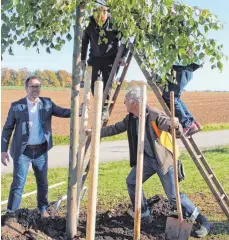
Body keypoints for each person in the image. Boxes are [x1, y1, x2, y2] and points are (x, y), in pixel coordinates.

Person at [86, 87, 210, 238]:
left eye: (126, 101)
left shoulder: (154, 115)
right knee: (132, 182)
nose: (124, 103)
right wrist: (95, 132)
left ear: (135, 103)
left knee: (173, 196)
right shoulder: (131, 118)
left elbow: (169, 125)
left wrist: (175, 125)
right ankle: (144, 214)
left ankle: (202, 220)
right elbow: (115, 128)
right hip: (147, 160)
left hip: (163, 160)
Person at [1, 76, 71, 218]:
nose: (35, 89)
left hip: (40, 151)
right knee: (18, 183)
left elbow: (64, 112)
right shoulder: (17, 106)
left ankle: (43, 208)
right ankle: (11, 213)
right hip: (23, 152)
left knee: (43, 181)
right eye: (32, 86)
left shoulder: (47, 104)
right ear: (26, 88)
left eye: (38, 86)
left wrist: (79, 110)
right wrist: (3, 150)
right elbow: (7, 128)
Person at [80, 6, 128, 102]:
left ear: (107, 15)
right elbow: (84, 42)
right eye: (97, 19)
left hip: (111, 57)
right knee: (92, 83)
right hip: (94, 57)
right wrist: (82, 59)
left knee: (107, 83)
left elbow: (125, 39)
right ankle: (99, 104)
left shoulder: (115, 22)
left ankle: (104, 108)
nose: (99, 22)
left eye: (102, 19)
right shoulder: (89, 23)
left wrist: (123, 56)